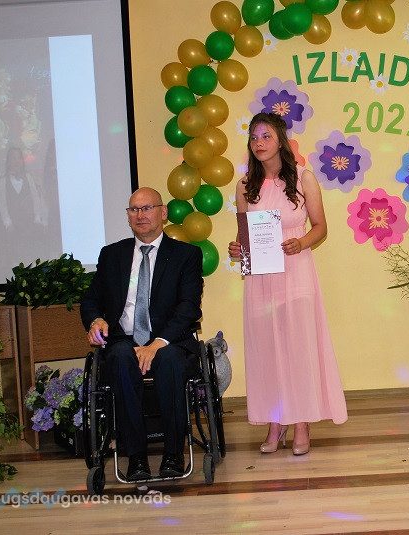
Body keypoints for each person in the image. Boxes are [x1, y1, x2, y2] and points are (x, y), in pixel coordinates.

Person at [227, 112, 347, 456]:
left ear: (280, 140)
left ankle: (302, 422)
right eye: (253, 137)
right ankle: (275, 421)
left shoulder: (304, 178)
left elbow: (321, 227)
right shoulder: (244, 186)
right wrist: (238, 249)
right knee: (267, 350)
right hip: (260, 279)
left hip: (296, 272)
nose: (259, 143)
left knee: (298, 348)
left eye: (265, 136)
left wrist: (302, 242)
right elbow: (244, 236)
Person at [81, 187, 203, 481]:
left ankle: (173, 453)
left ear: (163, 213)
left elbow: (188, 307)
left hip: (168, 340)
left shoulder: (186, 255)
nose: (140, 215)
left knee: (170, 359)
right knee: (120, 359)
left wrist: (156, 343)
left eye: (147, 208)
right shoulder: (112, 255)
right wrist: (96, 319)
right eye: (134, 209)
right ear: (128, 216)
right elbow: (91, 299)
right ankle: (135, 456)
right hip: (123, 340)